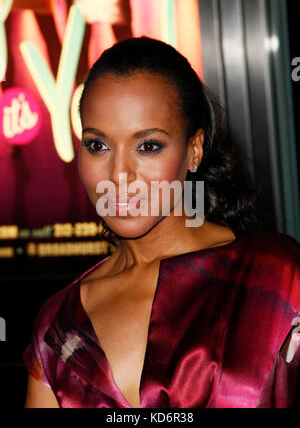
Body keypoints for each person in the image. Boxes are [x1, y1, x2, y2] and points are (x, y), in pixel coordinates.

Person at [23, 36, 300, 408]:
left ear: (194, 150)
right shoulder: (59, 327)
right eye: (97, 145)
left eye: (148, 145)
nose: (119, 174)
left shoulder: (278, 277)